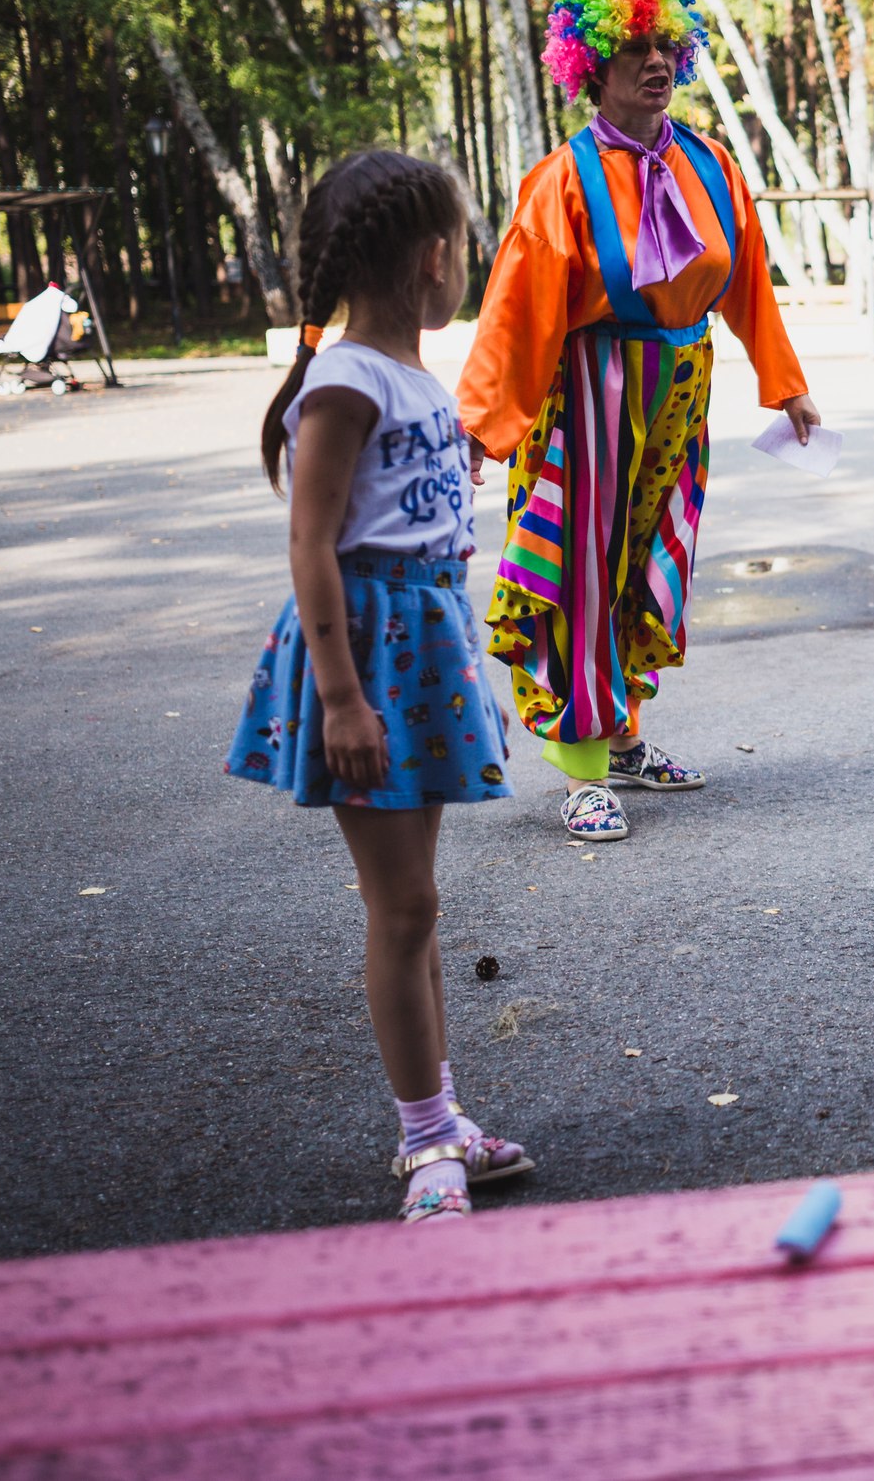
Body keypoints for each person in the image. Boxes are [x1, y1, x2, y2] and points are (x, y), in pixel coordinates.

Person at [226, 150, 532, 1224]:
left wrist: (467, 684)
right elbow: (310, 544)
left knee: (416, 905)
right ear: (433, 259)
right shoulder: (347, 380)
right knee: (402, 908)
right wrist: (343, 698)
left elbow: (425, 537)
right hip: (368, 659)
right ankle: (425, 1142)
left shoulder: (407, 377)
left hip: (422, 650)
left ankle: (442, 1118)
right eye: (466, 244)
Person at [460, 0, 824, 840]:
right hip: (590, 394)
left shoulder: (711, 164)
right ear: (591, 65)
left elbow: (748, 282)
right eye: (634, 48)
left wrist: (786, 385)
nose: (656, 61)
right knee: (582, 569)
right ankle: (581, 766)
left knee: (647, 561)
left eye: (666, 45)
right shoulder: (560, 182)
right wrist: (480, 424)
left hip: (682, 391)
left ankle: (622, 736)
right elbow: (514, 312)